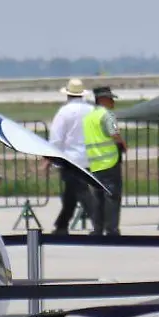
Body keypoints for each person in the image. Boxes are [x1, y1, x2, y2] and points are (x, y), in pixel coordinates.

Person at [43, 78, 95, 234]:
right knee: (71, 193)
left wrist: (49, 158)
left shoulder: (64, 112)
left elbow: (56, 138)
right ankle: (62, 225)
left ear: (68, 95)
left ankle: (100, 222)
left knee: (81, 192)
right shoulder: (92, 110)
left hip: (71, 159)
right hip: (90, 157)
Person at [82, 86, 127, 235]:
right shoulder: (107, 115)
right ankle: (112, 229)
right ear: (102, 100)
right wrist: (123, 144)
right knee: (112, 197)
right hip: (110, 162)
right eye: (110, 99)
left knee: (97, 198)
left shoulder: (88, 117)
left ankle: (97, 229)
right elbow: (114, 133)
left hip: (94, 163)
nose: (113, 101)